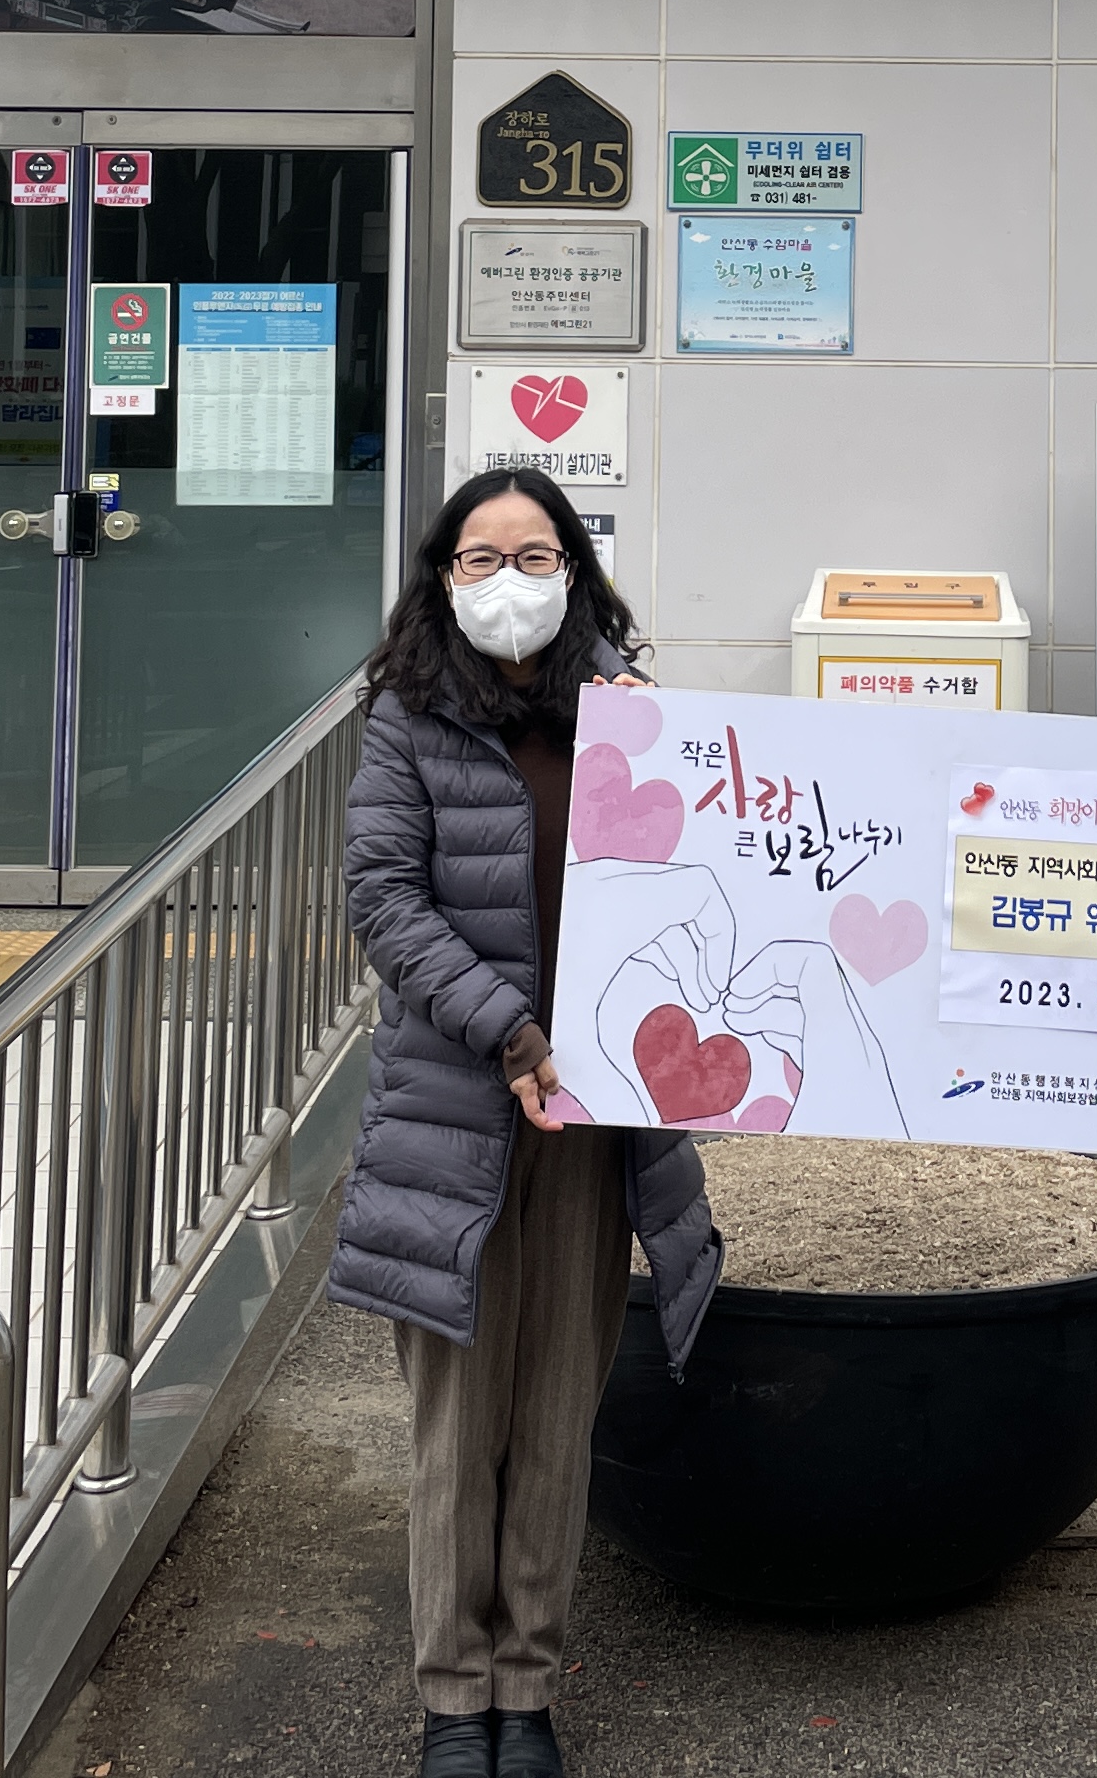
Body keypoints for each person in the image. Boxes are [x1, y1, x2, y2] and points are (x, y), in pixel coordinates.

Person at [330, 468, 722, 1778]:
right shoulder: (409, 718)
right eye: (483, 558)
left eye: (538, 554)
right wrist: (512, 1034)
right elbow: (385, 899)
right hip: (462, 1110)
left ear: (578, 572)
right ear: (444, 577)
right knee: (457, 1424)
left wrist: (654, 744)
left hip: (601, 1122)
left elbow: (703, 887)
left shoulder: (629, 714)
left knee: (557, 1413)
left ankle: (527, 1686)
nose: (513, 582)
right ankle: (453, 1700)